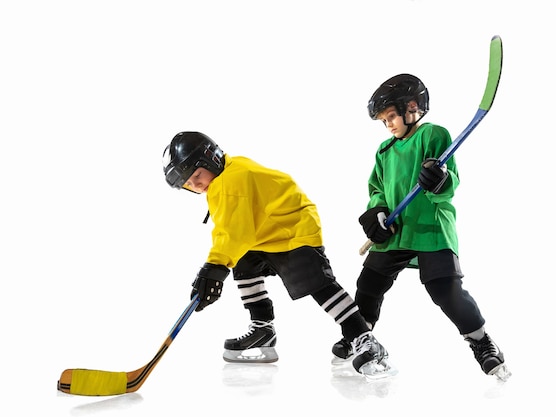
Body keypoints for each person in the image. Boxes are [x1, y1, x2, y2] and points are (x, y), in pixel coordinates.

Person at [162, 131, 394, 379]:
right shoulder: (225, 176)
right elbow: (235, 231)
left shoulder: (230, 181)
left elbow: (232, 233)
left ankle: (364, 338)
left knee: (318, 285)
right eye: (188, 184)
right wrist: (216, 267)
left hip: (293, 229)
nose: (196, 185)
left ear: (211, 159)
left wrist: (213, 268)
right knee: (243, 264)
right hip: (265, 233)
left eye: (197, 175)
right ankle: (263, 329)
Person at [331, 74, 510, 380]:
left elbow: (449, 180)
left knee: (445, 291)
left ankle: (482, 341)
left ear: (411, 108)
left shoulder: (432, 134)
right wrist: (376, 211)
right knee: (369, 284)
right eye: (383, 120)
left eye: (391, 116)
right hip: (396, 230)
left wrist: (439, 180)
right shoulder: (384, 151)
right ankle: (360, 336)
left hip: (430, 228)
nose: (388, 124)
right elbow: (376, 188)